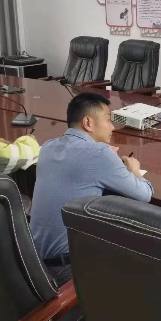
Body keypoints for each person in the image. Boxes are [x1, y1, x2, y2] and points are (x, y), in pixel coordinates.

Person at [30, 92, 153, 283]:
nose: (112, 127)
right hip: (69, 266)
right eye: (108, 120)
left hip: (35, 261)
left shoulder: (48, 147)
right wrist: (134, 171)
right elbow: (145, 195)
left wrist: (105, 157)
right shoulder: (99, 154)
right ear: (88, 123)